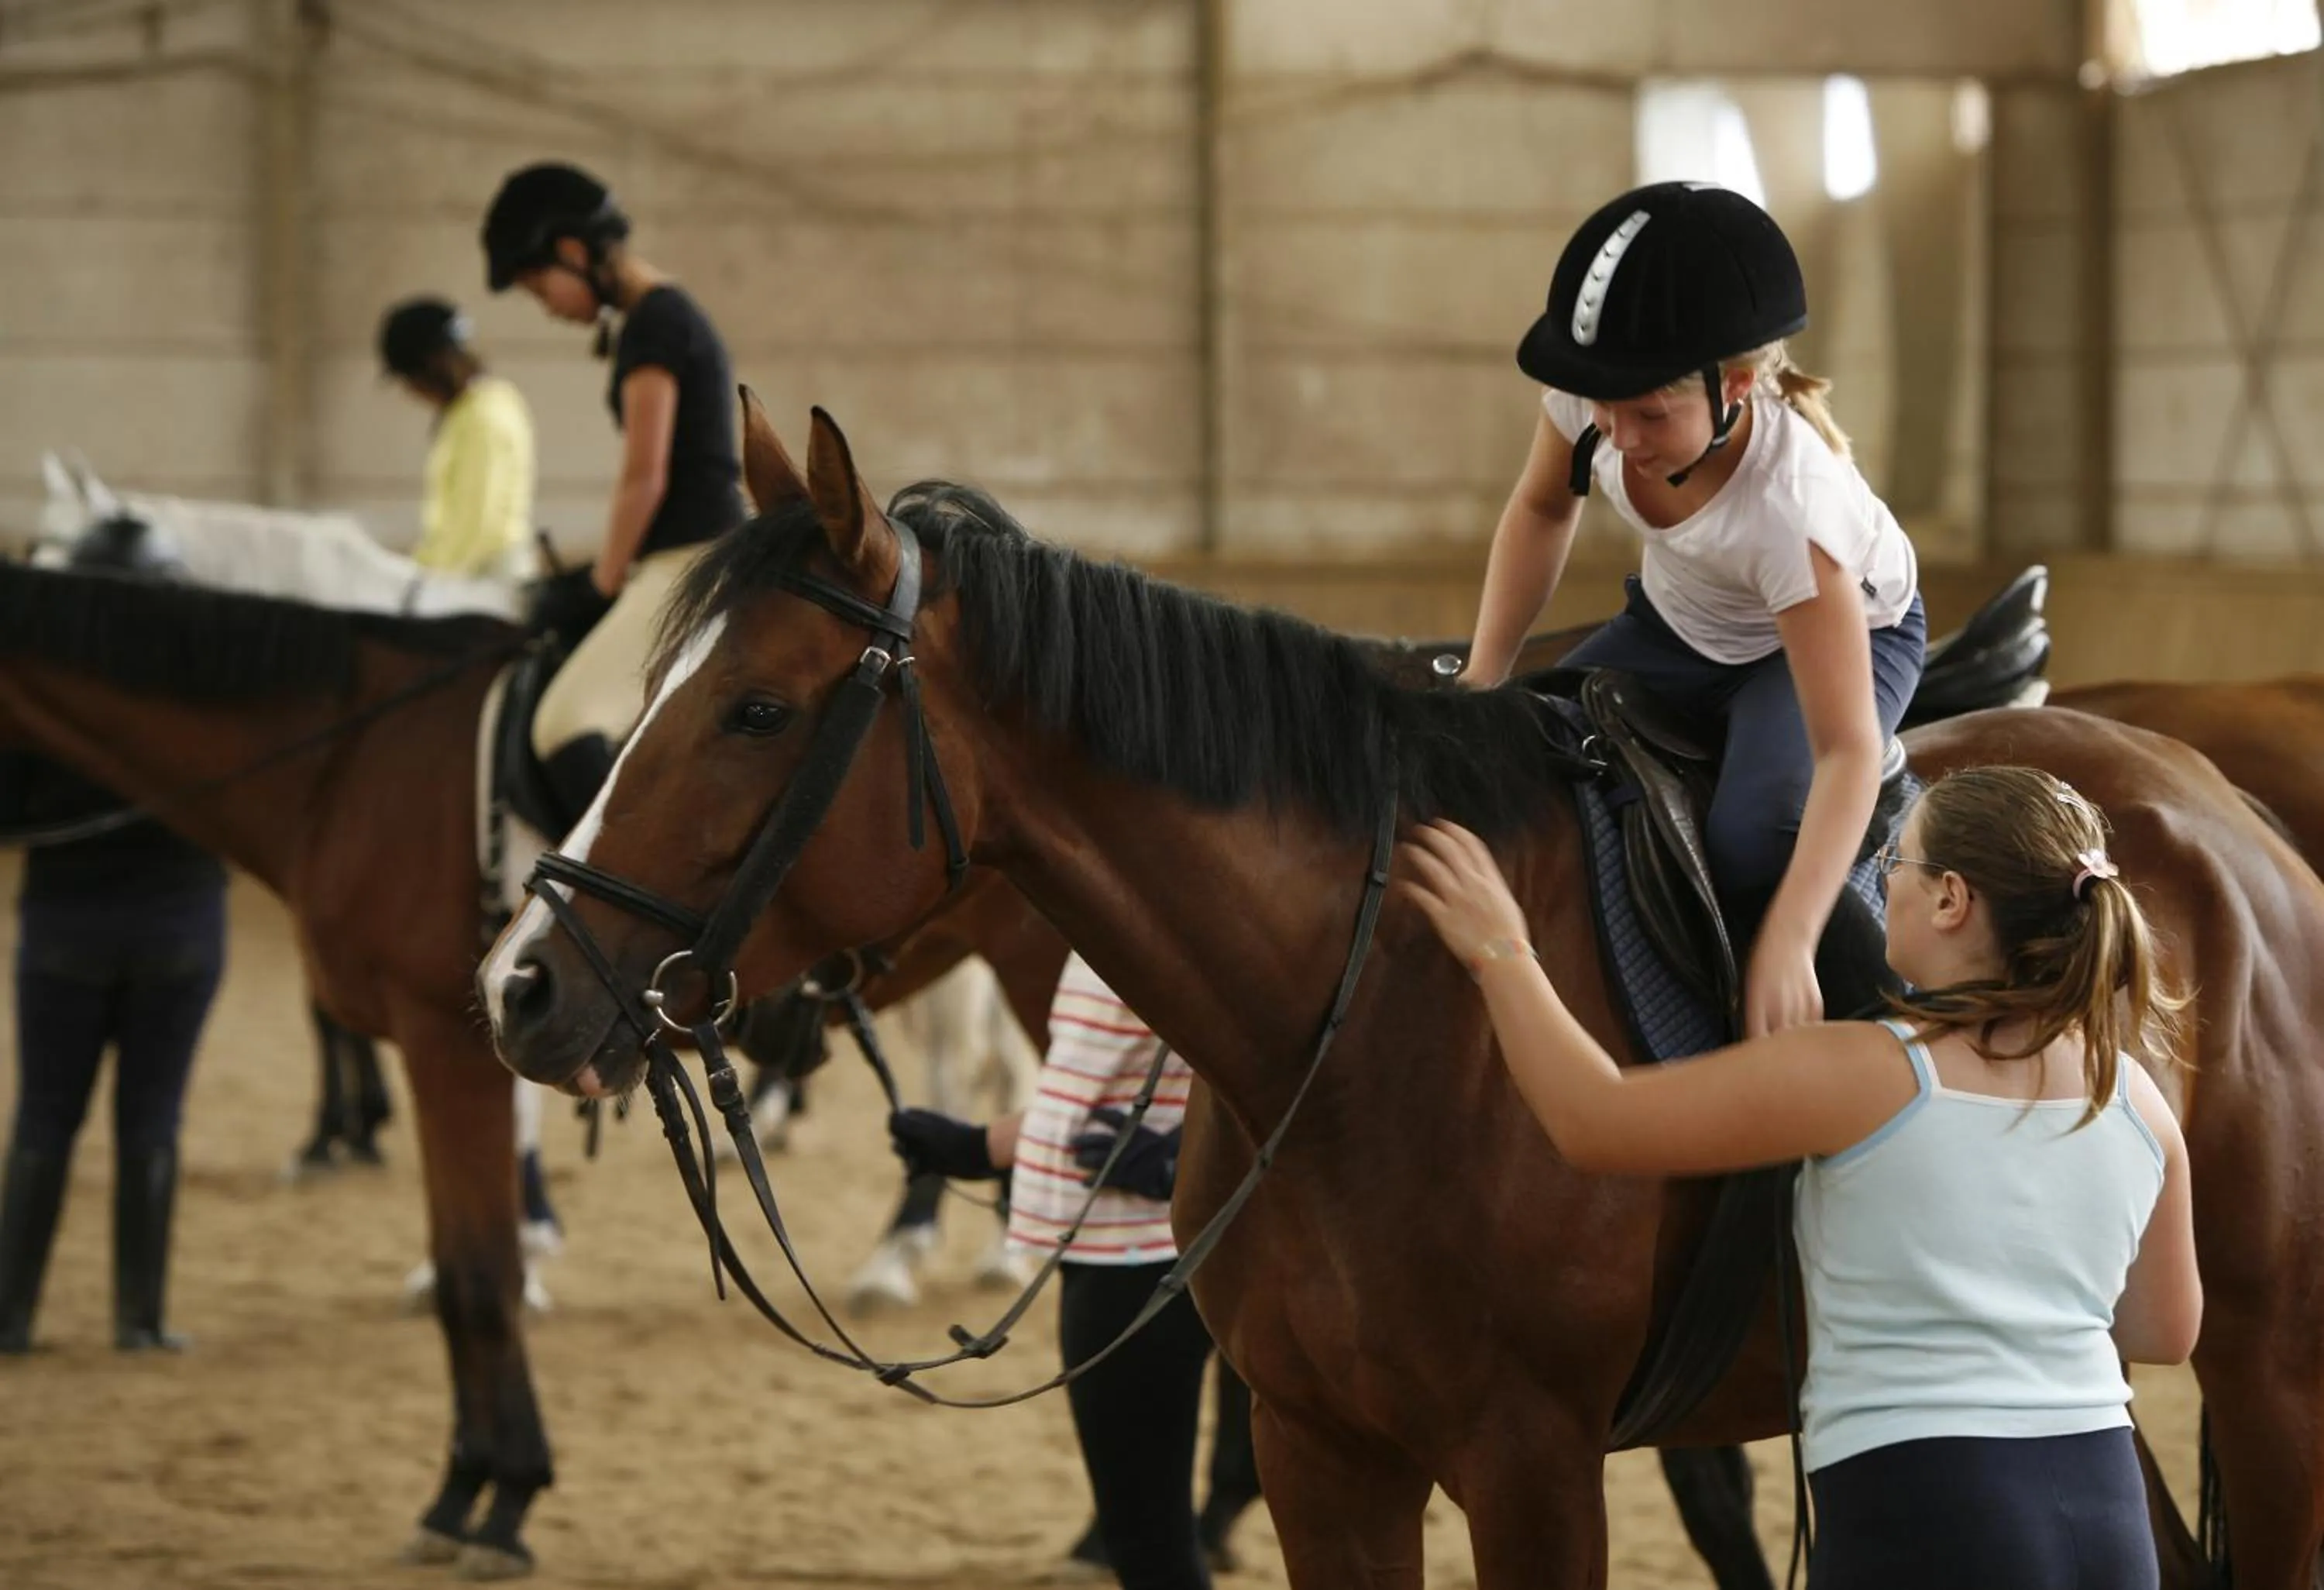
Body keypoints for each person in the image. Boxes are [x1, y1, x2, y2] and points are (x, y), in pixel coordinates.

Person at [1398, 765, 2202, 1590]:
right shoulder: (2135, 1096)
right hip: (2106, 1513)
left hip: (1929, 1513)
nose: (1883, 886)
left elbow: (1591, 1119)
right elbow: (2165, 1334)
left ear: (1952, 899)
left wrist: (1500, 949)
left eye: (1896, 863)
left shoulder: (1866, 1069)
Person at [1465, 181, 1925, 1036]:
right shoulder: (1597, 398)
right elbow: (1541, 509)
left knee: (1754, 837)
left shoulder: (1792, 511)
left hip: (1840, 636)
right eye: (1606, 407)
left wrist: (1788, 937)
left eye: (1650, 413)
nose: (1619, 434)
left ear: (1739, 385)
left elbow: (1848, 750)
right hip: (1682, 623)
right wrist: (1486, 671)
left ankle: (1895, 1028)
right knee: (1519, 748)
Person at [888, 957, 1232, 1590]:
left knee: (1146, 1537)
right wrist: (977, 1147)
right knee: (1140, 1531)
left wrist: (1190, 1150)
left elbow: (1301, 1058)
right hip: (1095, 1240)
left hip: (1156, 1253)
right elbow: (1087, 1097)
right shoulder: (1087, 929)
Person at [0, 516, 230, 1354]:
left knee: (42, 1120)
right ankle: (139, 1319)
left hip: (65, 927)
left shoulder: (46, 688)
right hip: (180, 925)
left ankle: (10, 1317)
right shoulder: (201, 690)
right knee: (153, 1123)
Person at [479, 160, 748, 822]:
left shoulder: (655, 324)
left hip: (689, 561)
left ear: (573, 252)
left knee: (563, 726)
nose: (544, 305)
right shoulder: (660, 316)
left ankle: (645, 904)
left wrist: (596, 584)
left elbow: (645, 474)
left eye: (538, 284)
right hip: (690, 555)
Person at [376, 295, 539, 583]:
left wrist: (429, 591)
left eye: (408, 379)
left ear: (430, 367)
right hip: (460, 582)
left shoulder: (485, 416)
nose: (410, 392)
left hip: (481, 588)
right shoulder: (466, 413)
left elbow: (479, 524)